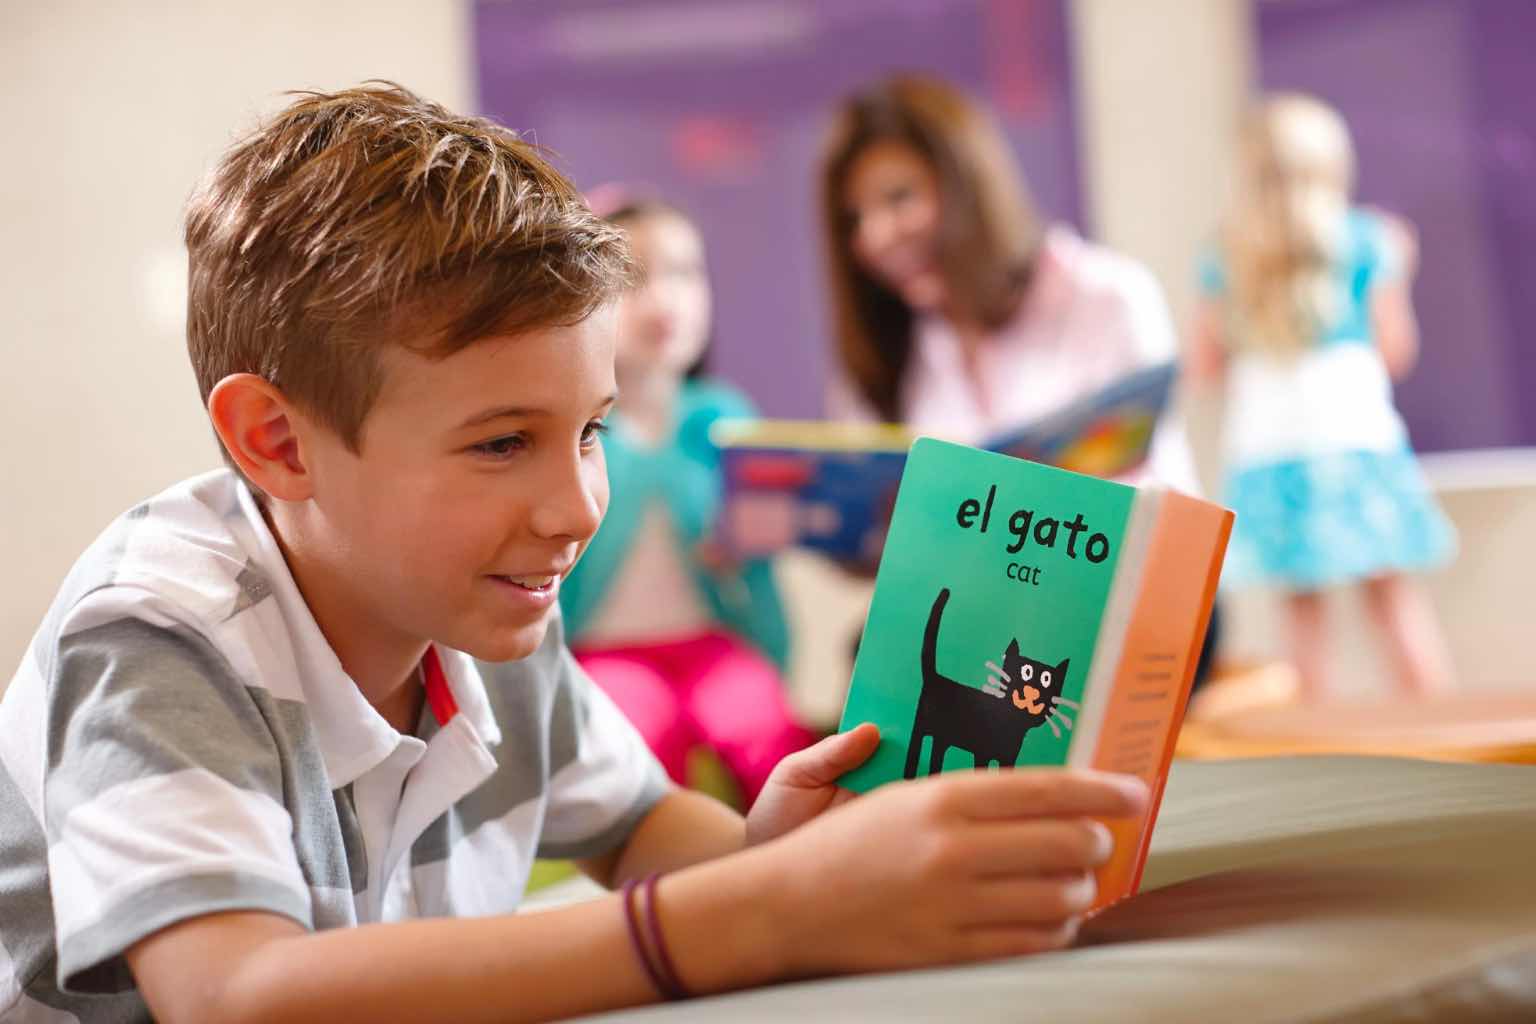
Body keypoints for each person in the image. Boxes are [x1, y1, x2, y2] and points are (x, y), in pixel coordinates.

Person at [0, 84, 1148, 1023]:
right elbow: (237, 997)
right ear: (278, 442)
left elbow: (639, 826)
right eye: (503, 443)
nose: (576, 507)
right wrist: (764, 912)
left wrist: (765, 859)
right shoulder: (152, 633)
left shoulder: (482, 603)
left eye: (590, 431)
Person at [817, 74, 1220, 682]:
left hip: (1130, 602)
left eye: (899, 197)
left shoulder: (1107, 295)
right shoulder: (886, 351)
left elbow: (1161, 501)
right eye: (855, 217)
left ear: (966, 186)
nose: (874, 237)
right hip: (978, 616)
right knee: (881, 656)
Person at [1189, 93, 1456, 701]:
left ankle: (1317, 753)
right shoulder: (1368, 241)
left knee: (1301, 612)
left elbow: (1203, 367)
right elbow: (1396, 351)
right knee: (1393, 598)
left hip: (1269, 448)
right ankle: (1444, 734)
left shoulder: (1223, 255)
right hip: (1356, 440)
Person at [559, 192, 815, 805]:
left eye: (683, 273)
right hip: (603, 650)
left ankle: (808, 867)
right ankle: (674, 882)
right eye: (634, 277)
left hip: (714, 641)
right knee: (640, 740)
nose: (663, 298)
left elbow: (761, 551)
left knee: (766, 728)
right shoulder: (571, 426)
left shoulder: (724, 419)